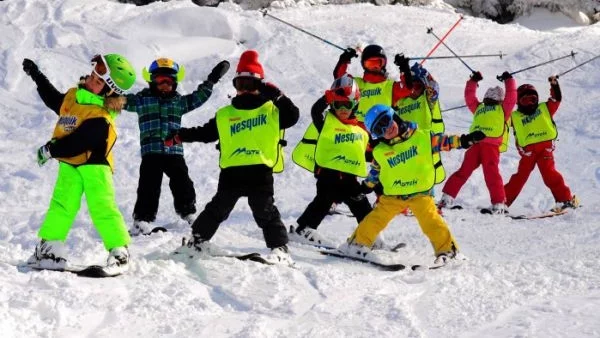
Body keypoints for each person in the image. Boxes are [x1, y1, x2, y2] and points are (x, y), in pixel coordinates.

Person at [164, 50, 299, 265]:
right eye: (240, 84)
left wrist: (278, 96)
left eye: (251, 85)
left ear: (261, 87)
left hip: (260, 171)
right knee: (218, 208)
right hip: (232, 172)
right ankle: (197, 242)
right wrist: (180, 135)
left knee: (264, 210)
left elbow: (293, 116)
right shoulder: (225, 114)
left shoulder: (271, 110)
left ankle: (280, 249)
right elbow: (206, 133)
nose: (245, 90)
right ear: (235, 86)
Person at [22, 54, 136, 270]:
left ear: (110, 91)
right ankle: (51, 248)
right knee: (61, 204)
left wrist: (50, 150)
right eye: (94, 75)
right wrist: (37, 76)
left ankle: (119, 251)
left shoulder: (101, 114)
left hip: (94, 164)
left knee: (102, 205)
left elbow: (80, 141)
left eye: (100, 81)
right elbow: (54, 99)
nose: (93, 80)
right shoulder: (75, 97)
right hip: (69, 163)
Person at [337, 104, 485, 265]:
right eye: (380, 130)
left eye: (386, 121)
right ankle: (357, 244)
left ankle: (448, 252)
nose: (387, 129)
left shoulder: (422, 137)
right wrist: (366, 186)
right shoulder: (380, 151)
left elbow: (445, 141)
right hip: (393, 196)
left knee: (431, 222)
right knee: (375, 219)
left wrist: (465, 140)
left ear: (394, 116)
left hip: (420, 193)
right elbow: (376, 172)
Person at [120, 57, 230, 236]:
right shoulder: (142, 100)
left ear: (175, 83)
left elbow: (198, 97)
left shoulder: (179, 102)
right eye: (159, 80)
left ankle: (189, 214)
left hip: (174, 151)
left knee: (182, 182)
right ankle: (142, 220)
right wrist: (106, 91)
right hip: (151, 152)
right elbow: (121, 101)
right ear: (151, 81)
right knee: (149, 185)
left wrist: (211, 80)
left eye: (168, 81)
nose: (164, 85)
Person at [289, 74, 372, 248]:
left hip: (349, 178)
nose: (342, 109)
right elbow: (315, 111)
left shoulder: (359, 129)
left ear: (354, 105)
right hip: (328, 176)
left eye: (347, 105)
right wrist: (328, 97)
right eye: (338, 104)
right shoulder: (326, 121)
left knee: (361, 203)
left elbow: (366, 153)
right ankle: (304, 229)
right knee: (323, 201)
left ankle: (369, 234)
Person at [437, 70, 517, 214]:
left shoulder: (487, 108)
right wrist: (508, 80)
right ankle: (498, 204)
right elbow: (511, 97)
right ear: (500, 99)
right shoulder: (497, 108)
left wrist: (473, 81)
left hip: (481, 145)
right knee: (488, 174)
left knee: (470, 172)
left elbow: (470, 98)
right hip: (485, 145)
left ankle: (447, 198)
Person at [504, 77, 579, 211]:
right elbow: (501, 117)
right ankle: (502, 202)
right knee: (519, 178)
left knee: (549, 175)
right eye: (524, 100)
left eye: (533, 99)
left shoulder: (544, 108)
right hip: (528, 153)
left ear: (537, 99)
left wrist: (554, 85)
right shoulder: (514, 116)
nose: (530, 103)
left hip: (545, 150)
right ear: (518, 102)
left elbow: (556, 99)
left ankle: (564, 200)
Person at [333, 44, 413, 123]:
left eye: (378, 63)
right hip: (359, 130)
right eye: (370, 64)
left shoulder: (390, 86)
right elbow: (340, 78)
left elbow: (408, 88)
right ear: (364, 65)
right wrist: (344, 59)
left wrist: (404, 67)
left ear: (383, 64)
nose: (375, 67)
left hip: (382, 130)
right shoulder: (357, 84)